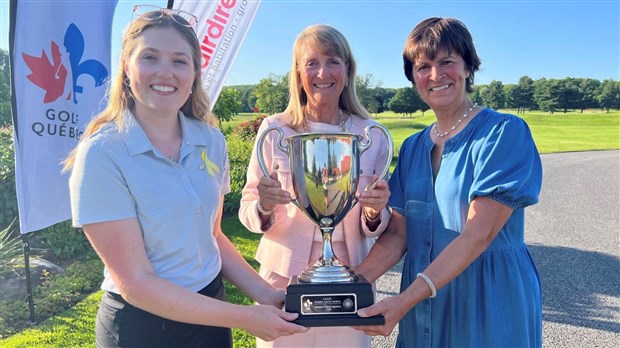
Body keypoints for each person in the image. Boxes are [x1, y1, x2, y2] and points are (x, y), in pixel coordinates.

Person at [64, 6, 307, 347]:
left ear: (194, 72)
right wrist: (245, 317)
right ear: (126, 65)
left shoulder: (210, 139)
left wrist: (267, 295)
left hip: (210, 315)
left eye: (179, 61)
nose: (165, 73)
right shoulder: (102, 154)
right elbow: (136, 282)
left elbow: (213, 236)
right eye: (150, 57)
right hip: (141, 327)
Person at [354, 17, 543, 347]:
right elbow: (399, 233)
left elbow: (477, 235)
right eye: (423, 66)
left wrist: (403, 301)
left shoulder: (503, 133)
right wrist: (348, 285)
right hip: (422, 303)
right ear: (413, 78)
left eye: (447, 63)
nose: (436, 76)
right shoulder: (413, 147)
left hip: (488, 298)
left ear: (468, 66)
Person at [238, 24, 392, 347]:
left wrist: (376, 212)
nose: (323, 72)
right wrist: (264, 205)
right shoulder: (274, 130)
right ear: (298, 73)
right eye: (312, 63)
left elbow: (377, 222)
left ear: (348, 71)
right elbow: (247, 211)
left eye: (333, 61)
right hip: (282, 284)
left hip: (348, 283)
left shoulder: (370, 135)